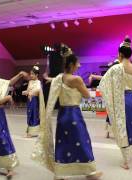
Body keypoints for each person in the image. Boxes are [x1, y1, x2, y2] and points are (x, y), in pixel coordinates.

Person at [32, 51, 102, 179]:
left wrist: (48, 78)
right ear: (71, 64)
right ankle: (90, 171)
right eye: (77, 63)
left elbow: (55, 80)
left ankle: (60, 173)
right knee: (82, 140)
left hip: (62, 115)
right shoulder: (76, 79)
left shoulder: (60, 78)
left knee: (63, 143)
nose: (79, 66)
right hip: (73, 115)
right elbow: (86, 95)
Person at [99, 39, 132, 170]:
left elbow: (104, 83)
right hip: (131, 99)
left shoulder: (116, 68)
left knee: (122, 127)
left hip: (120, 100)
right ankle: (130, 155)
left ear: (120, 54)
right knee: (131, 126)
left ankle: (125, 161)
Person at [89, 36, 132, 139]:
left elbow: (106, 78)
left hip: (120, 93)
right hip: (121, 94)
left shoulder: (121, 65)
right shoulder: (124, 65)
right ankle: (113, 132)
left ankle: (115, 132)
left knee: (118, 113)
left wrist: (94, 76)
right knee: (115, 113)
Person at [22, 65, 44, 138]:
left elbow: (38, 90)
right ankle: (30, 131)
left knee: (34, 114)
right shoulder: (30, 82)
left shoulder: (38, 82)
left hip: (34, 100)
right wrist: (26, 92)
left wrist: (30, 92)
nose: (31, 75)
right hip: (29, 100)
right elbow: (28, 90)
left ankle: (33, 132)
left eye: (32, 74)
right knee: (29, 114)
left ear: (36, 75)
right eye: (30, 74)